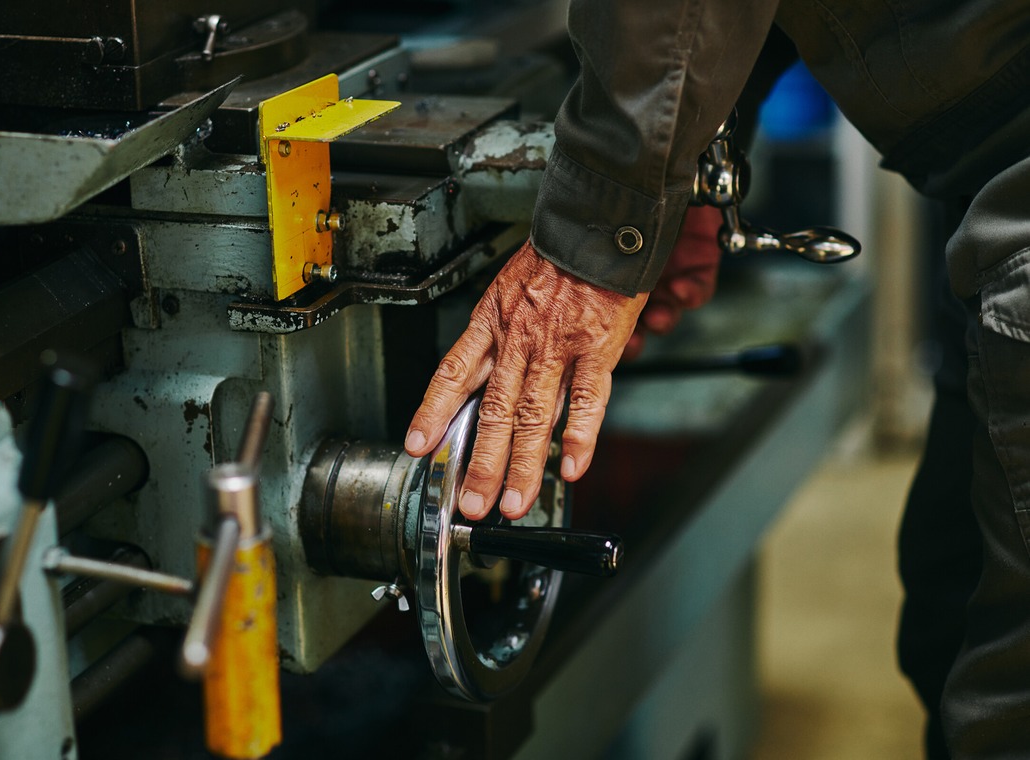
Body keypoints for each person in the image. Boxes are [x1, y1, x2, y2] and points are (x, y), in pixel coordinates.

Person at [403, 1, 1030, 757]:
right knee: (953, 601)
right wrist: (694, 153)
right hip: (990, 155)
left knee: (1011, 708)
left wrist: (600, 227)